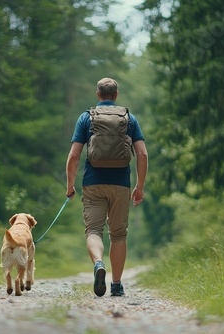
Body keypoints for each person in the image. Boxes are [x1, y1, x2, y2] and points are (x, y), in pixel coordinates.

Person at [65, 77, 148, 297]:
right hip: (121, 183)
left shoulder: (86, 118)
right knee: (118, 235)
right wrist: (140, 186)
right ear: (116, 95)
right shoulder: (130, 119)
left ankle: (99, 263)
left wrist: (70, 185)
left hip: (93, 182)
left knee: (94, 230)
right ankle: (117, 285)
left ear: (98, 94)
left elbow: (74, 155)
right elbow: (142, 153)